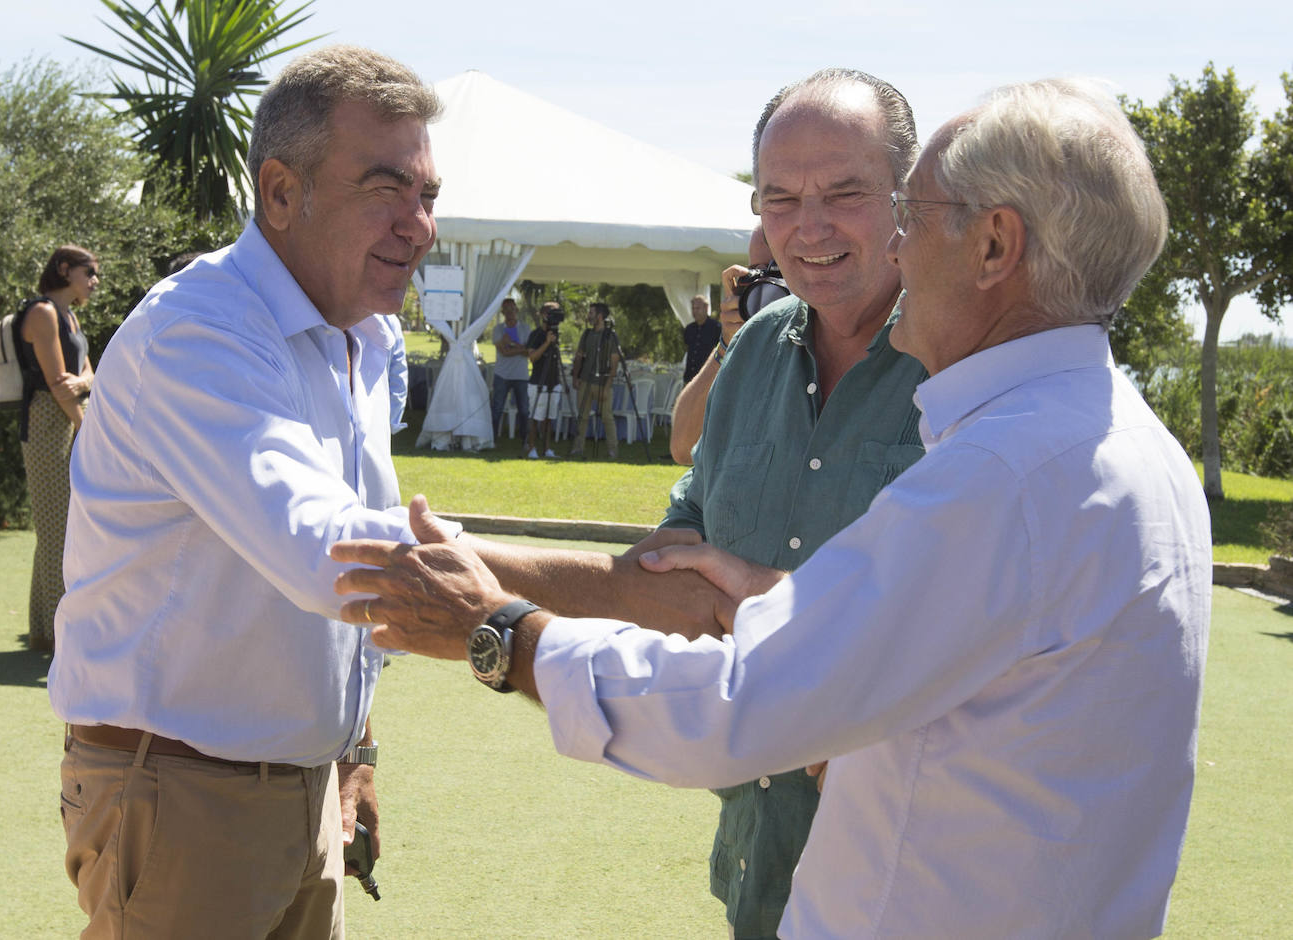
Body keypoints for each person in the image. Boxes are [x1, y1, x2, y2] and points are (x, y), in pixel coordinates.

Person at [331, 77, 1213, 939]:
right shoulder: (1120, 445)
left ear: (993, 247)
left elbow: (741, 706)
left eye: (909, 209)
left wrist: (498, 635)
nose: (896, 245)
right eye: (779, 197)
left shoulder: (1005, 471)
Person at [444, 68, 928, 938]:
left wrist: (498, 623)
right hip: (758, 845)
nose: (808, 228)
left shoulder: (962, 370)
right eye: (779, 199)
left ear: (911, 195)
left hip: (904, 872)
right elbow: (689, 523)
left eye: (844, 193)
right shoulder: (754, 354)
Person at [48, 44, 443, 937]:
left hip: (299, 795)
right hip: (178, 795)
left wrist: (356, 750)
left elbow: (351, 550)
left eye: (427, 196)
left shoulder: (365, 338)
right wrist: (608, 589)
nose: (419, 226)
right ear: (279, 191)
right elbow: (333, 554)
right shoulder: (199, 333)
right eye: (387, 189)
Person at [17, 244, 98, 651]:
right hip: (48, 423)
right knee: (56, 530)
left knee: (56, 527)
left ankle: (41, 632)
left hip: (69, 416)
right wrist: (86, 423)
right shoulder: (44, 313)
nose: (94, 281)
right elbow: (55, 382)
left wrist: (83, 384)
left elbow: (85, 375)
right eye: (90, 272)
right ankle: (55, 633)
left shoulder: (70, 316)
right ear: (65, 270)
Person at [669, 225, 770, 465]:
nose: (772, 286)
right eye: (759, 273)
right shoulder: (737, 339)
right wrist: (727, 343)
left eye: (781, 272)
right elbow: (683, 448)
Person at [569, 302, 621, 458]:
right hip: (585, 380)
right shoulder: (586, 334)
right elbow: (579, 356)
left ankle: (613, 450)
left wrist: (606, 387)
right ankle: (578, 448)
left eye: (591, 313)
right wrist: (575, 376)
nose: (588, 316)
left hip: (602, 382)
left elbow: (614, 363)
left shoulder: (610, 336)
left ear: (599, 316)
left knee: (607, 417)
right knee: (582, 417)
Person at [524, 301, 565, 459]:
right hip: (538, 382)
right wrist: (547, 343)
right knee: (536, 416)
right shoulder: (536, 335)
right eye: (552, 313)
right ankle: (532, 447)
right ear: (543, 315)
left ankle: (547, 449)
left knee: (549, 418)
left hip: (553, 381)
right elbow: (532, 357)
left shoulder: (556, 333)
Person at [489, 297, 530, 442]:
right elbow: (503, 353)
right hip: (502, 375)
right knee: (497, 409)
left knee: (524, 410)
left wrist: (511, 344)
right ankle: (492, 439)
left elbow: (529, 352)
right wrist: (520, 347)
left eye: (512, 309)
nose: (509, 312)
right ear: (502, 312)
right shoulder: (498, 329)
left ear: (516, 310)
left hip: (521, 375)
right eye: (506, 310)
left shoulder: (526, 328)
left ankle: (525, 439)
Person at [681, 293, 721, 383]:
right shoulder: (689, 328)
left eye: (698, 308)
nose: (695, 311)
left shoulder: (716, 328)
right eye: (693, 308)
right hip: (689, 377)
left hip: (708, 378)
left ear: (706, 308)